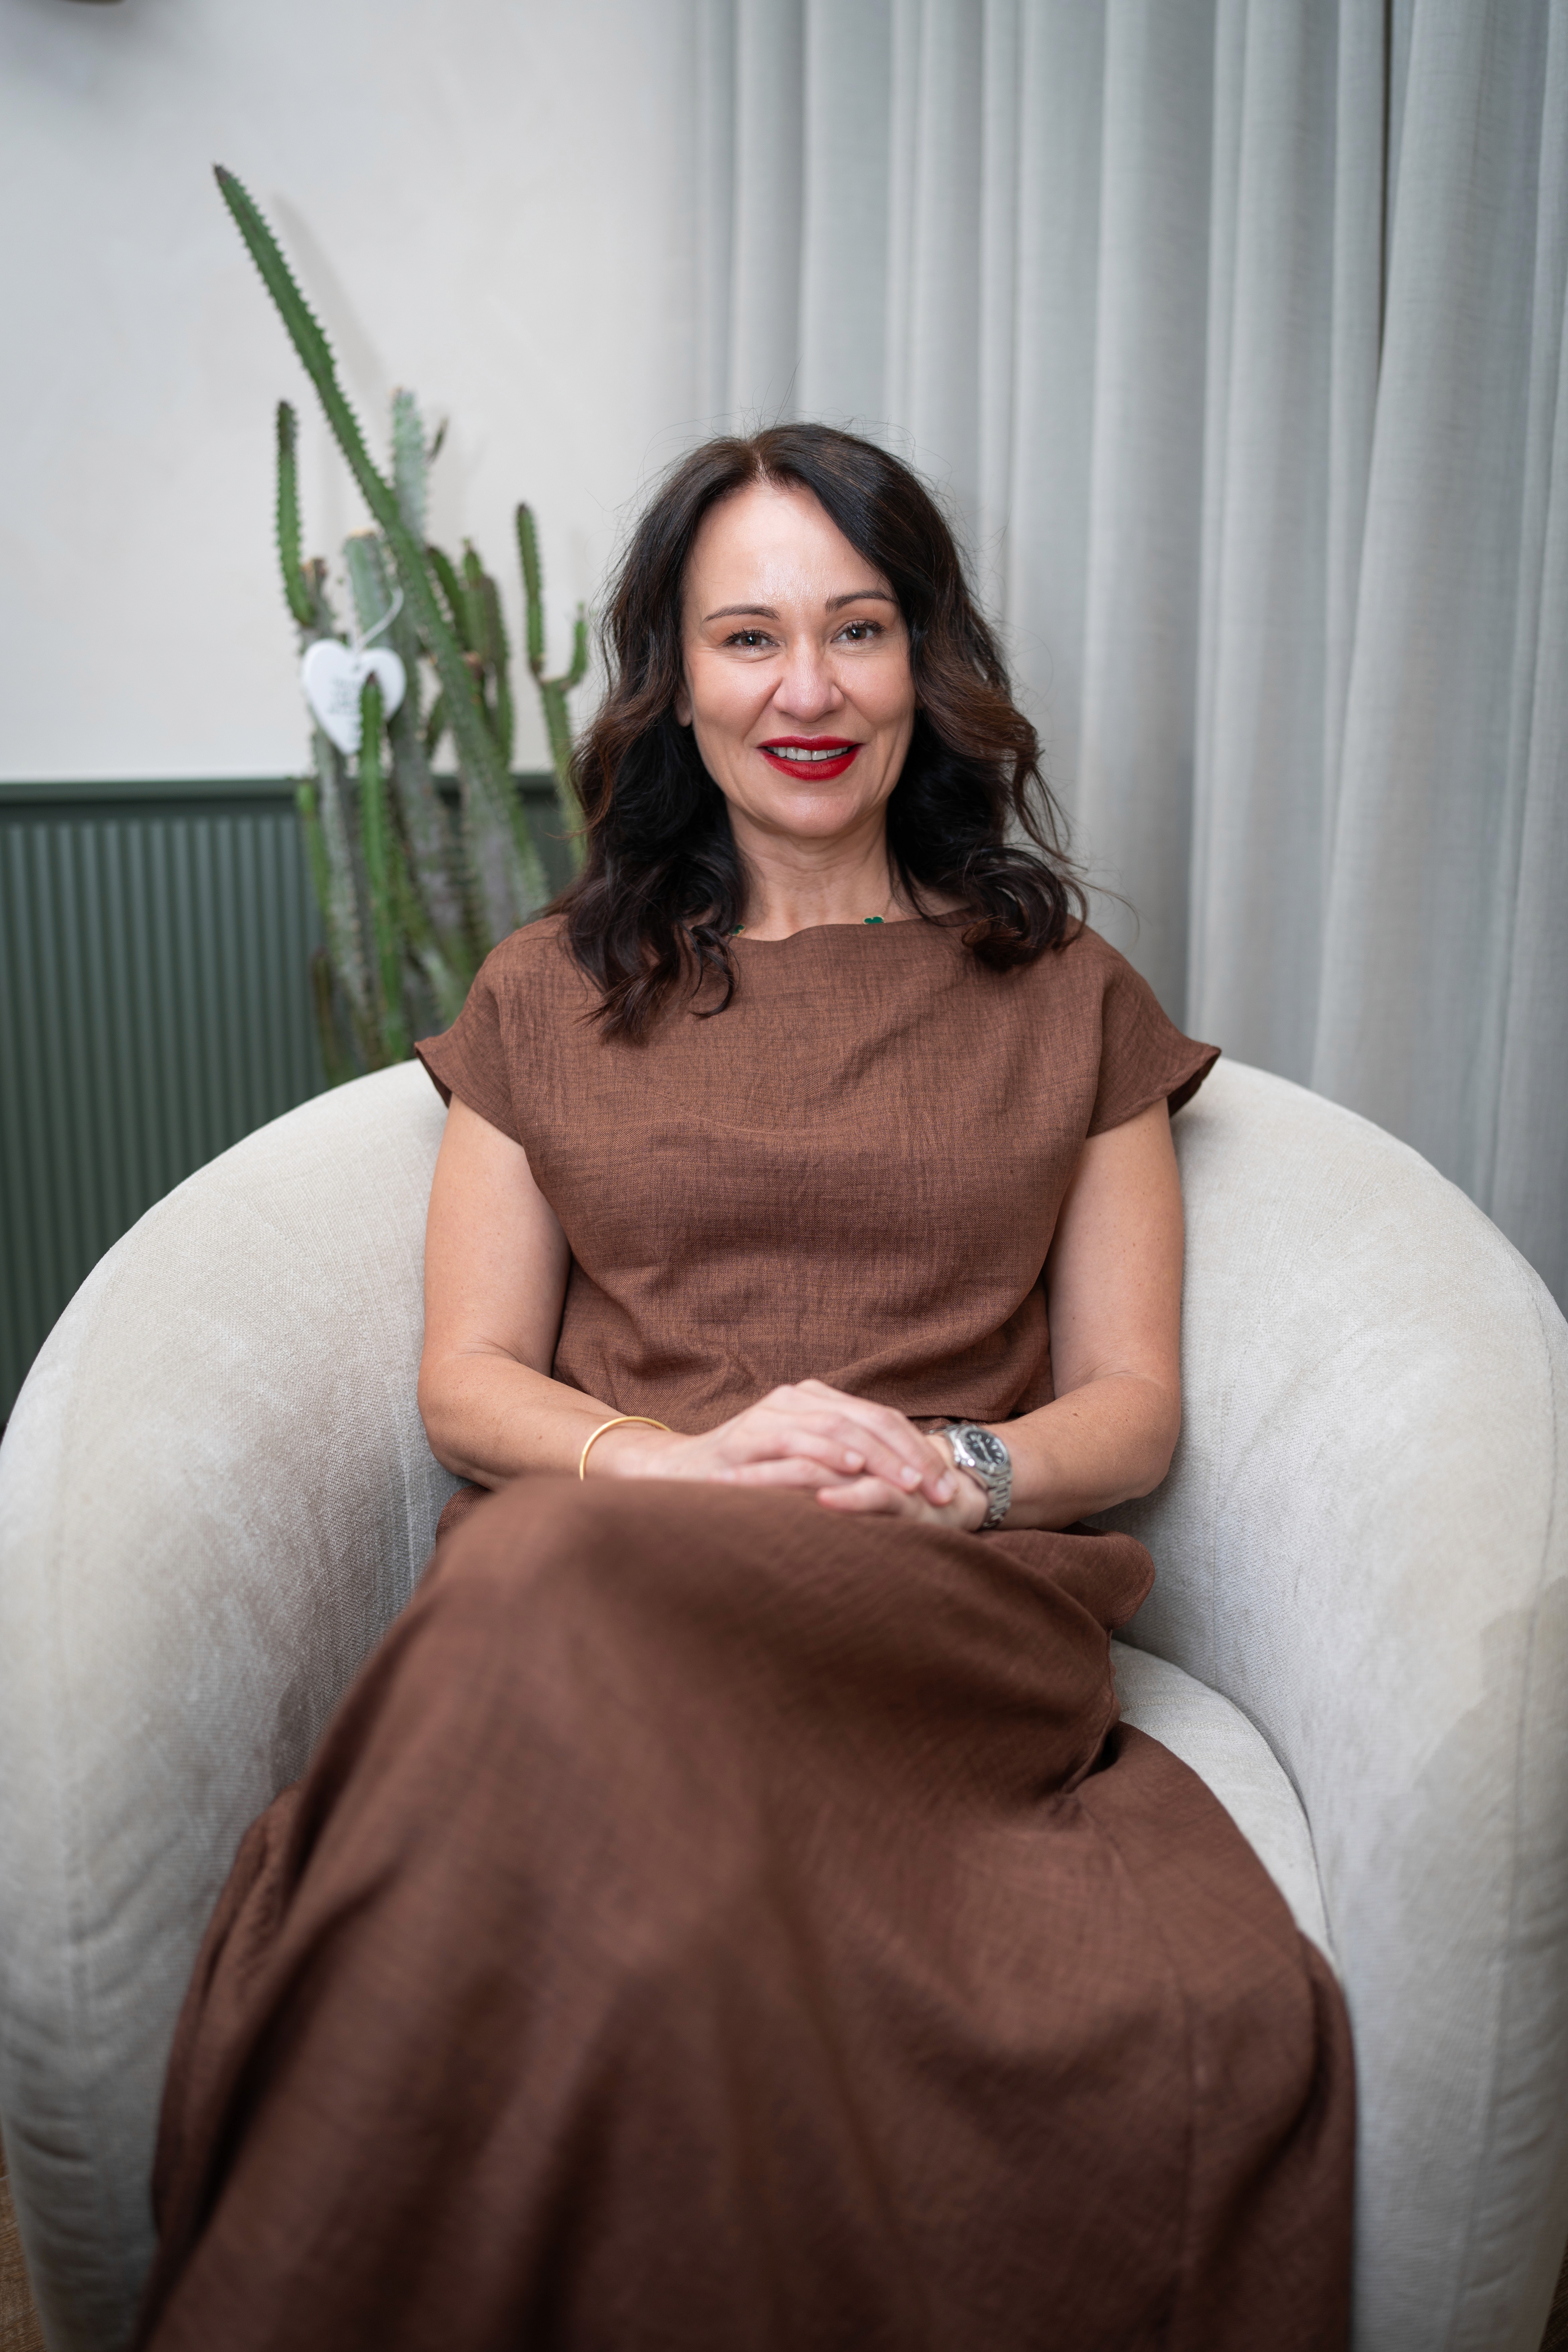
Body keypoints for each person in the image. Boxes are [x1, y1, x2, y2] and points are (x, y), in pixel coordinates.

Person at [135, 425, 1353, 2350]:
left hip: (930, 1584)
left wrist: (951, 1468)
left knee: (523, 1616)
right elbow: (468, 1381)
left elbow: (1132, 1405)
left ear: (924, 662)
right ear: (676, 680)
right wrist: (681, 1472)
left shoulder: (1065, 992)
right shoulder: (548, 990)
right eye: (749, 637)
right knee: (533, 1590)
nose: (809, 690)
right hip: (605, 1564)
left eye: (857, 630)